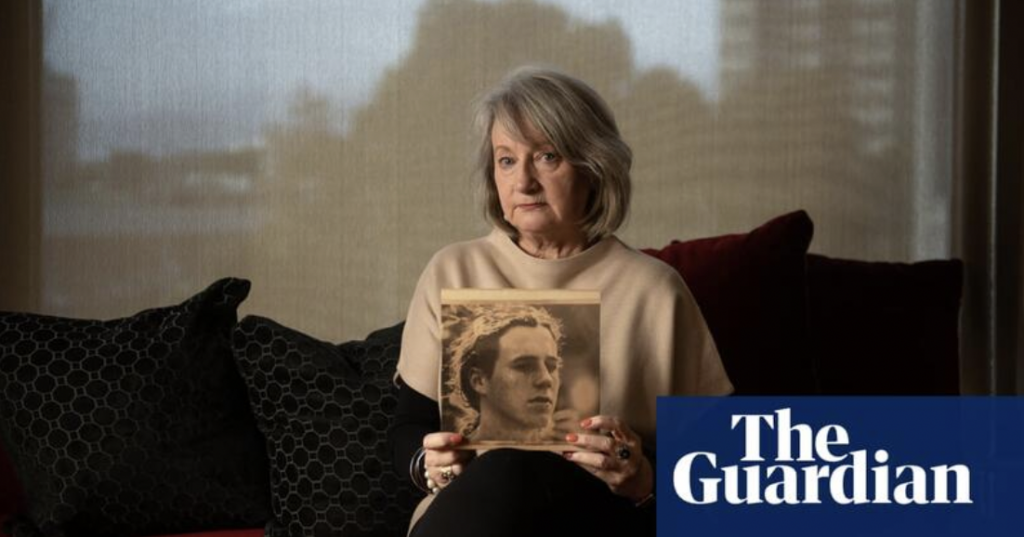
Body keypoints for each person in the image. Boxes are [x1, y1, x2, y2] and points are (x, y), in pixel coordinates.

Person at [389, 66, 733, 536]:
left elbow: (721, 467)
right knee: (504, 472)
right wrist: (429, 463)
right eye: (506, 160)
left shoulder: (655, 289)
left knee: (516, 470)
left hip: (600, 518)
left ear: (593, 167)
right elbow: (409, 427)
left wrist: (643, 476)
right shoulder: (452, 271)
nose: (523, 181)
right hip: (470, 517)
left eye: (547, 157)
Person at [443, 303, 570, 443]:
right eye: (524, 366)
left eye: (551, 367)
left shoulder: (565, 451)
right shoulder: (457, 454)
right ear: (479, 381)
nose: (546, 379)